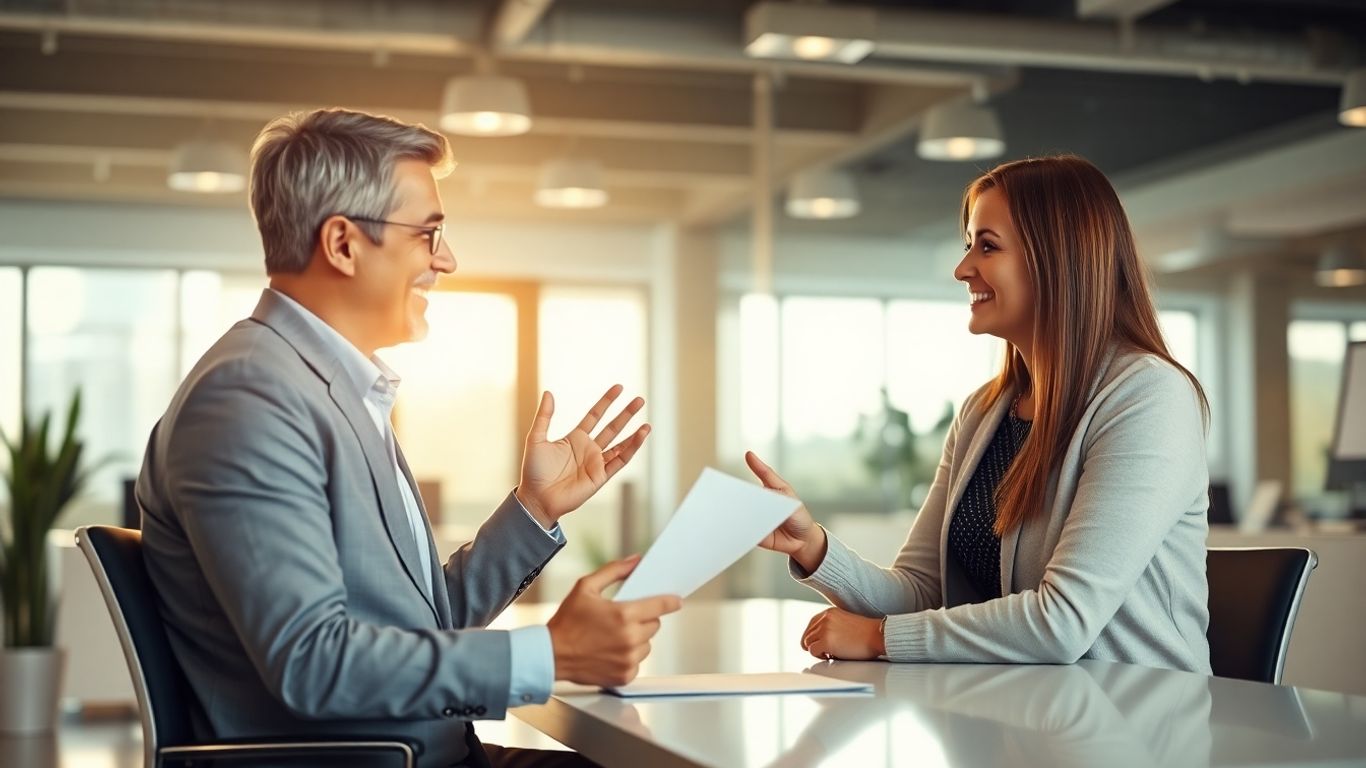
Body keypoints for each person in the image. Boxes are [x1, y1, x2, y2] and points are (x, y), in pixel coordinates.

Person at [137, 108, 680, 768]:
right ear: (342, 244)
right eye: (429, 235)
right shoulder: (248, 400)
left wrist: (532, 511)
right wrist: (551, 652)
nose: (447, 260)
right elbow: (312, 660)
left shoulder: (329, 389)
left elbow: (422, 624)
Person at [745, 154, 1211, 674]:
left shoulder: (1148, 396)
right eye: (969, 245)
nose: (962, 268)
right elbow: (921, 593)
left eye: (987, 247)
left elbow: (1063, 622)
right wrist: (814, 548)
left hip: (1140, 729)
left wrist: (879, 638)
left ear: (1058, 260)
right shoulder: (983, 413)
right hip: (1022, 719)